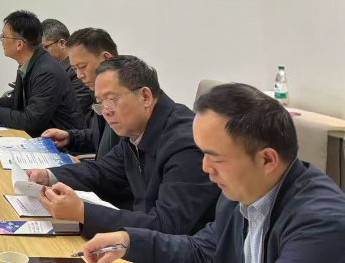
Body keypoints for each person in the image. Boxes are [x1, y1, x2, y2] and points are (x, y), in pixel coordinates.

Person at [83, 83, 345, 263]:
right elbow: (204, 250)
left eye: (216, 157)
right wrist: (129, 241)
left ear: (267, 160)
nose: (206, 168)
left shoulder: (320, 224)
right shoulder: (242, 192)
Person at [27, 56, 218, 237]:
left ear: (145, 96)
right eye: (100, 103)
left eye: (111, 100)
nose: (106, 112)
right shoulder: (137, 130)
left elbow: (166, 226)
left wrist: (82, 212)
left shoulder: (186, 144)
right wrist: (49, 176)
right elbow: (103, 171)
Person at [0, 10, 82, 135]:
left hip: (59, 143)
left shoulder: (46, 72)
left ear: (19, 44)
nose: (1, 41)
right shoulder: (29, 63)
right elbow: (15, 103)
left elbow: (31, 121)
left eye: (4, 36)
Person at [42, 27, 121, 160]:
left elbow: (119, 165)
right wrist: (70, 137)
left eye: (82, 67)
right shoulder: (101, 94)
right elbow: (100, 137)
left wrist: (85, 168)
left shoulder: (124, 100)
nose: (79, 75)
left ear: (106, 59)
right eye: (75, 69)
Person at [41, 19, 96, 119]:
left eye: (44, 47)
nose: (41, 54)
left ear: (62, 43)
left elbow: (73, 110)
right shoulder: (49, 69)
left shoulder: (78, 73)